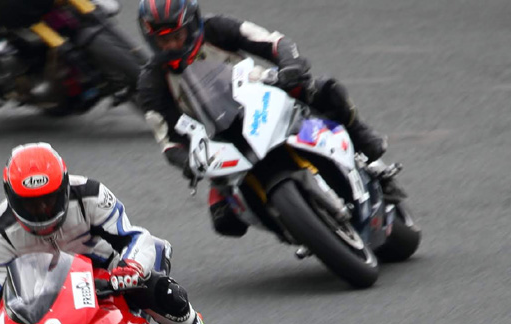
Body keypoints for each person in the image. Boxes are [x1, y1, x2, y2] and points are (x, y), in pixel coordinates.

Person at [0, 142, 236, 324]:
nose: (42, 210)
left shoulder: (90, 194)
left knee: (165, 293)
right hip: (51, 297)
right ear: (11, 199)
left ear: (65, 187)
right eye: (30, 204)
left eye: (49, 200)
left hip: (111, 275)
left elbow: (134, 237)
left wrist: (131, 268)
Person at [136, 0, 397, 237]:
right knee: (225, 220)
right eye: (163, 40)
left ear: (192, 26)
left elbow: (272, 41)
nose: (171, 45)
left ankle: (362, 139)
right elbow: (166, 140)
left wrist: (290, 64)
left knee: (326, 90)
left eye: (176, 36)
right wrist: (187, 161)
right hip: (218, 140)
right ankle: (292, 228)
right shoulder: (151, 82)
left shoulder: (216, 28)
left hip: (260, 97)